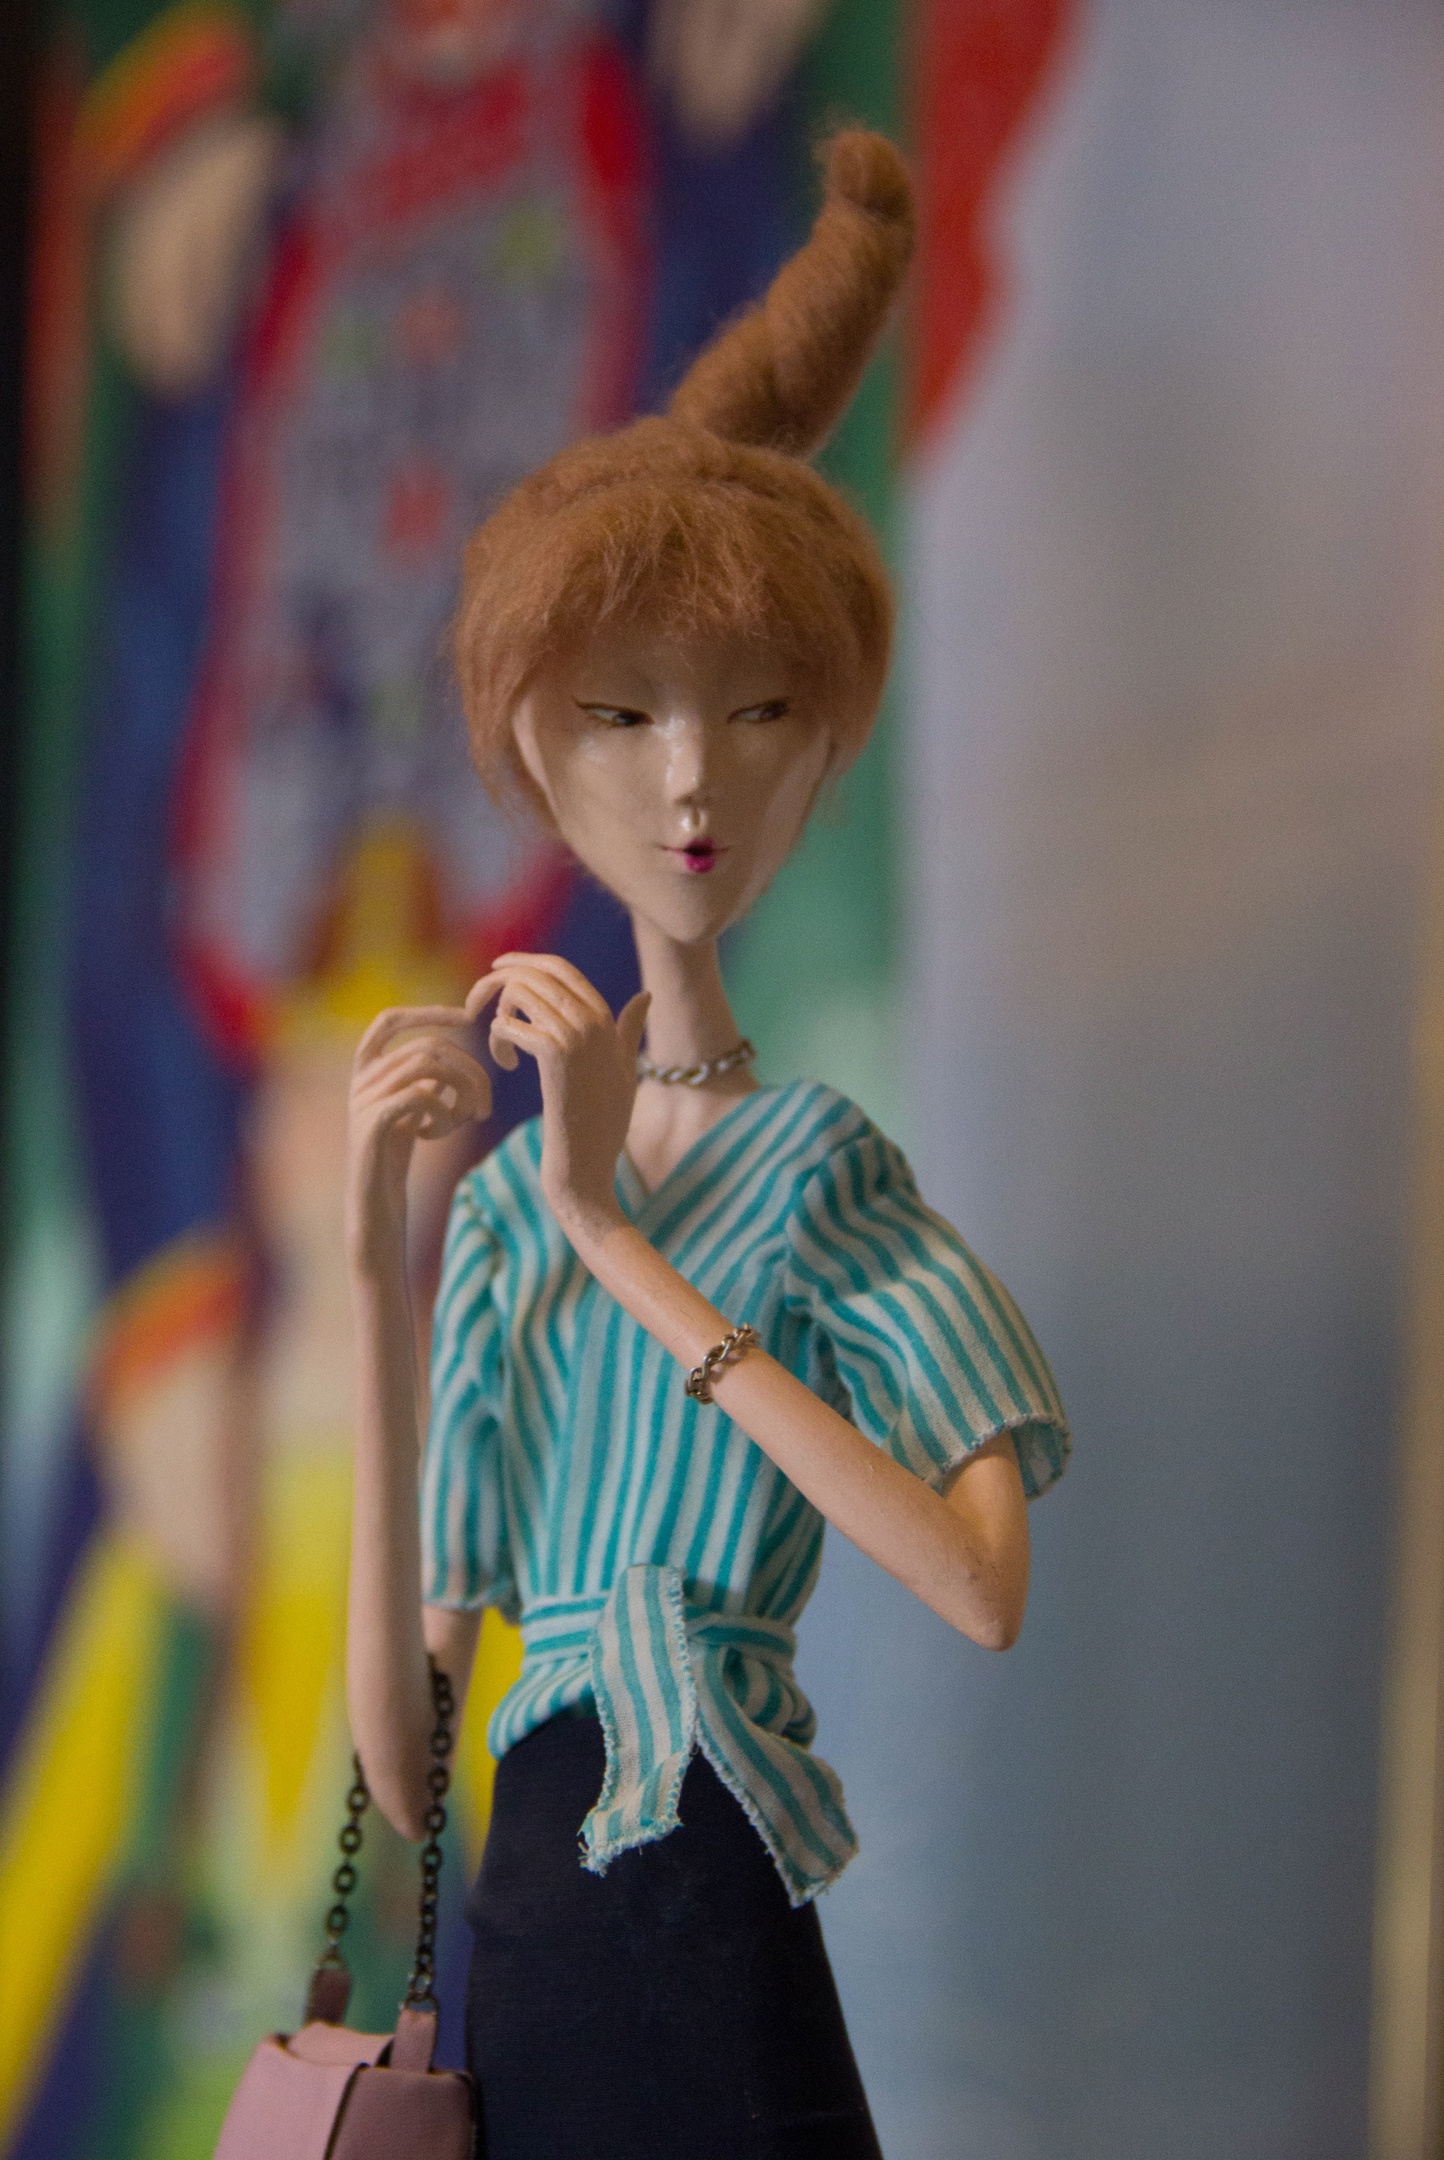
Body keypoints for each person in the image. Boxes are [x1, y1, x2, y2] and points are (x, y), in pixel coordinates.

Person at [343, 129, 1070, 2159]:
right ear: (533, 740)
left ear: (819, 749)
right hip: (526, 1909)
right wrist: (377, 1276)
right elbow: (402, 1772)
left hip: (706, 1865)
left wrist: (616, 1233)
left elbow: (977, 1584)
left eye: (754, 716)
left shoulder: (817, 1167)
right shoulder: (501, 1212)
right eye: (624, 715)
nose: (689, 781)